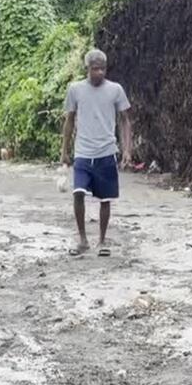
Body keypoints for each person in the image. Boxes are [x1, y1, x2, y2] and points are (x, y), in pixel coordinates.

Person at [60, 49, 133, 257]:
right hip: (83, 152)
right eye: (95, 69)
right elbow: (69, 120)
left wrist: (127, 150)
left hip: (107, 151)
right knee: (78, 193)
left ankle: (102, 241)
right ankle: (82, 239)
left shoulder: (115, 90)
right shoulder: (75, 90)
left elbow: (125, 120)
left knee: (105, 198)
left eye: (102, 69)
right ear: (87, 69)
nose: (99, 72)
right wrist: (64, 151)